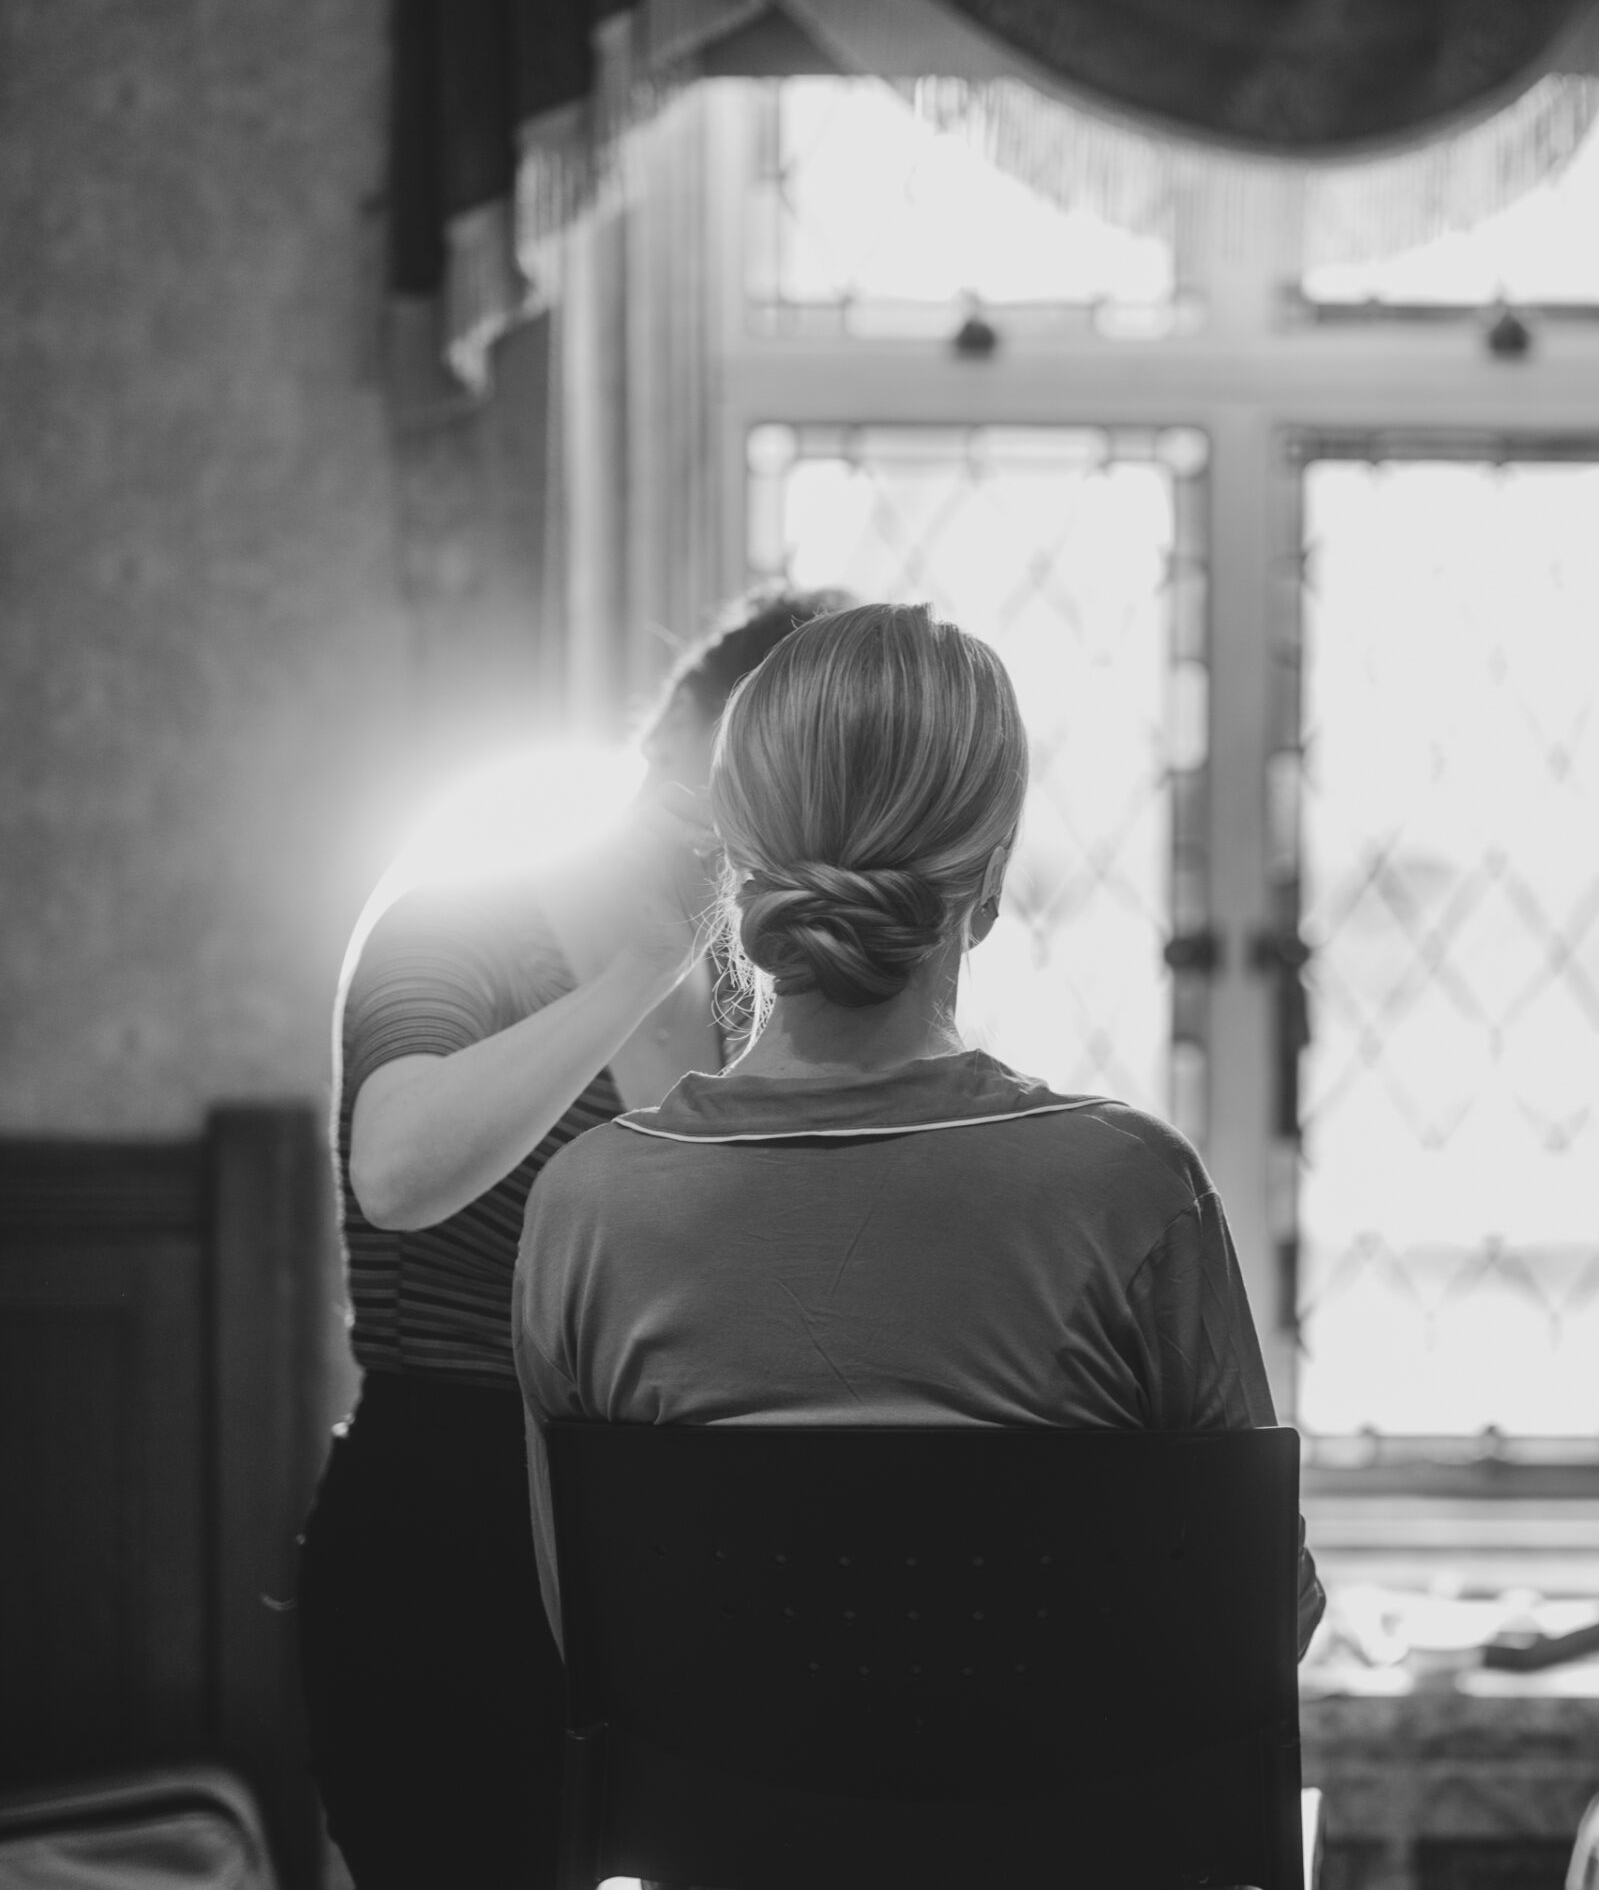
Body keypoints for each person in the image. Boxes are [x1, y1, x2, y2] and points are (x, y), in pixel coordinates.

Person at [513, 600, 1324, 1654]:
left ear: (735, 863)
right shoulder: (1126, 1188)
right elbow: (1261, 1618)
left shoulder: (590, 1206)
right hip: (1055, 1820)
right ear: (985, 885)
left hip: (717, 1825)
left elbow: (586, 1635)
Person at [296, 587, 839, 1889]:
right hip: (452, 1528)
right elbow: (402, 1169)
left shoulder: (756, 993)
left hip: (670, 1544)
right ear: (671, 751)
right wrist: (631, 976)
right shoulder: (462, 923)